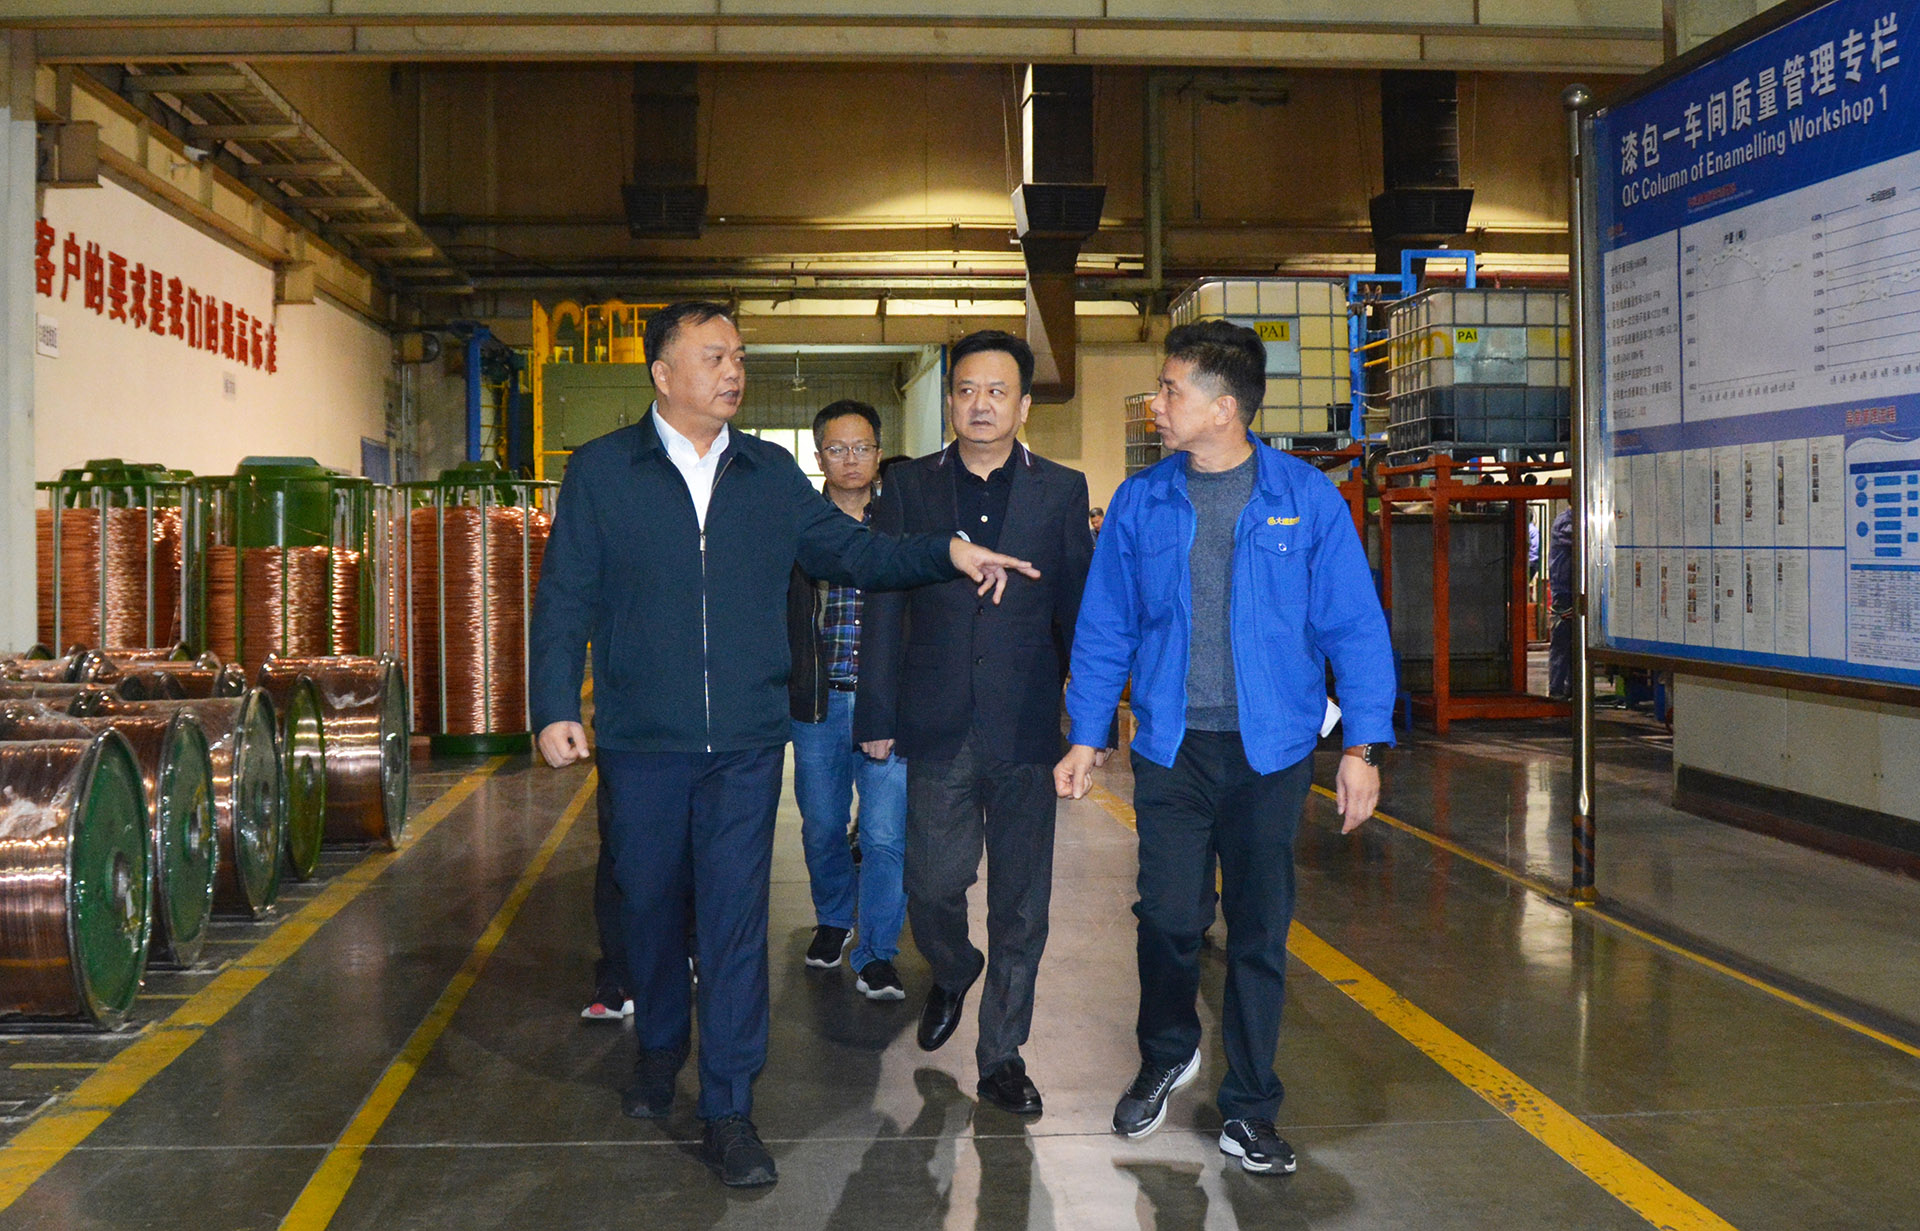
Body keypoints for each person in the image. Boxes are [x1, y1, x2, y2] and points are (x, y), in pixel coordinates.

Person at [530, 302, 1038, 1189]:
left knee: (734, 921)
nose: (733, 370)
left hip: (746, 742)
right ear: (663, 373)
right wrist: (550, 704)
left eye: (738, 355)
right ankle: (659, 1045)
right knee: (648, 903)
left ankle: (729, 1106)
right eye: (714, 356)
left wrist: (945, 553)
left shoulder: (768, 473)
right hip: (644, 739)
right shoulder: (603, 471)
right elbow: (566, 592)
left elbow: (855, 552)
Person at [1055, 318, 1395, 1176]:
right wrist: (1088, 734)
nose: (1156, 403)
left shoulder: (1305, 498)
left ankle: (1249, 1106)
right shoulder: (1142, 500)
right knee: (1168, 917)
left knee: (1257, 929)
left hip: (1270, 752)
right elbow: (1106, 624)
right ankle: (1168, 1050)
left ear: (1224, 407)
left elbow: (1354, 625)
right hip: (1172, 745)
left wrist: (1363, 746)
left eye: (1170, 389)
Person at [855, 330, 1098, 1119]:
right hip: (937, 721)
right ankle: (955, 967)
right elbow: (884, 601)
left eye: (997, 390)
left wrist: (1089, 724)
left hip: (1026, 724)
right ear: (949, 401)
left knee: (1022, 903)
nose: (980, 403)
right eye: (965, 389)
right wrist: (876, 713)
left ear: (1024, 406)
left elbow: (1079, 610)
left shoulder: (1061, 490)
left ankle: (1002, 1055)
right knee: (930, 882)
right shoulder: (910, 487)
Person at [786, 399, 908, 1001]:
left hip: (886, 703)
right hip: (817, 705)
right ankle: (834, 919)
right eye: (837, 449)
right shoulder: (798, 530)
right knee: (823, 825)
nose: (851, 459)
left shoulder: (901, 525)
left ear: (878, 454)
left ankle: (878, 952)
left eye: (862, 448)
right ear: (819, 457)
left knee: (885, 834)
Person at [1547, 505, 1575, 699]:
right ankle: (1557, 689)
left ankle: (1571, 688)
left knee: (1573, 643)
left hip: (1573, 590)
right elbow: (1582, 540)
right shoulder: (1565, 521)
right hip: (1565, 591)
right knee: (1562, 641)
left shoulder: (1572, 520)